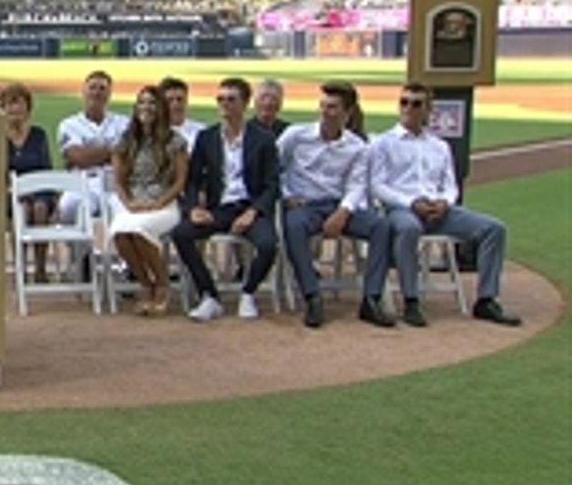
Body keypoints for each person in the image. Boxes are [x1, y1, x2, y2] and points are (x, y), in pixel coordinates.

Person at [369, 82, 521, 327]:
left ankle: (486, 299)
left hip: (438, 210)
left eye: (416, 104)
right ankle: (411, 300)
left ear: (428, 109)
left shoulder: (439, 146)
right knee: (409, 229)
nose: (408, 108)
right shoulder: (383, 143)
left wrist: (444, 202)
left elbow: (450, 185)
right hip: (401, 209)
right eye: (404, 102)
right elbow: (377, 185)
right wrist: (411, 202)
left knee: (494, 228)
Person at [278, 82, 393, 329]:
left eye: (332, 107)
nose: (325, 112)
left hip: (338, 205)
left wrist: (342, 212)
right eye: (323, 106)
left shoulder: (357, 147)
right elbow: (274, 169)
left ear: (347, 113)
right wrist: (286, 195)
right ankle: (312, 296)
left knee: (381, 227)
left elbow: (357, 184)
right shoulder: (295, 136)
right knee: (294, 227)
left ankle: (371, 298)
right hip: (304, 204)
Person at [172, 77, 280, 321]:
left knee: (268, 245)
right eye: (220, 99)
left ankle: (248, 292)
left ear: (245, 103)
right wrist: (192, 208)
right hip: (219, 207)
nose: (225, 104)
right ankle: (209, 295)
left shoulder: (263, 139)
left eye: (231, 99)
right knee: (182, 234)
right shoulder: (207, 137)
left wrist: (253, 212)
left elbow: (273, 184)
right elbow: (193, 179)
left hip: (250, 207)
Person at [108, 85, 189, 315]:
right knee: (120, 233)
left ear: (161, 108)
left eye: (152, 103)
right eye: (142, 102)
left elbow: (180, 181)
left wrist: (159, 202)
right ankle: (145, 282)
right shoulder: (125, 141)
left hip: (163, 202)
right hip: (132, 201)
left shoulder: (175, 141)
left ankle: (162, 285)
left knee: (140, 230)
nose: (146, 107)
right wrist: (129, 203)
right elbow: (119, 181)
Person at [54, 70, 130, 225]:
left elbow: (130, 156)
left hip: (114, 184)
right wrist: (113, 152)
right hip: (81, 183)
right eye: (92, 87)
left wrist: (90, 154)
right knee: (68, 208)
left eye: (102, 88)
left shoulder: (124, 123)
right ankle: (81, 243)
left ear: (109, 94)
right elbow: (78, 157)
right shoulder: (69, 124)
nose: (97, 92)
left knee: (125, 214)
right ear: (83, 92)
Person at [0, 82, 54, 282]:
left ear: (27, 108)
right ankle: (20, 268)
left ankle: (40, 268)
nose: (15, 109)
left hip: (39, 190)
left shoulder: (39, 135)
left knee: (40, 208)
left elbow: (46, 168)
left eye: (19, 104)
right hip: (10, 192)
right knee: (20, 209)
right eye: (9, 104)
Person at [159, 77, 207, 149]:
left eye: (179, 99)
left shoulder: (201, 132)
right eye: (170, 100)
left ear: (186, 101)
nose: (175, 104)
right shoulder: (153, 132)